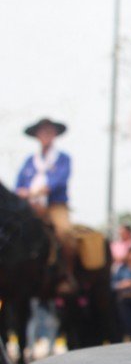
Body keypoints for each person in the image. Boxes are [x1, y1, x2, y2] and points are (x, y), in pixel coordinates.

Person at [15, 117, 76, 292]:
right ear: (36, 135)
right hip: (30, 208)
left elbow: (58, 181)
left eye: (49, 131)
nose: (46, 135)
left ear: (55, 134)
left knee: (65, 233)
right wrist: (22, 193)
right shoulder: (29, 161)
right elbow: (18, 184)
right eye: (42, 132)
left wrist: (35, 192)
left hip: (55, 206)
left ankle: (67, 274)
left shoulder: (63, 159)